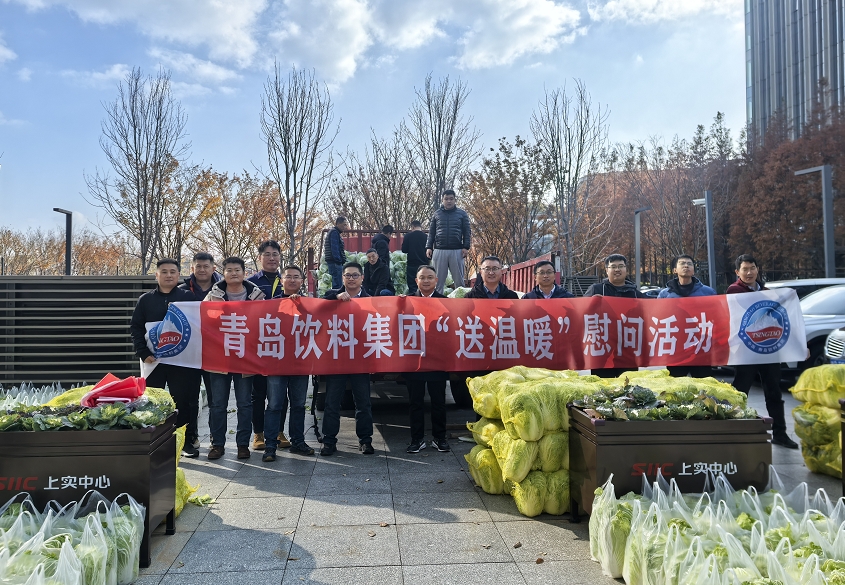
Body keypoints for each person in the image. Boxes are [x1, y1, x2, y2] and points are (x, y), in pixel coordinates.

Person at [130, 258, 202, 458]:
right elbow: (136, 328)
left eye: (172, 272)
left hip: (181, 361)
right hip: (154, 361)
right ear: (156, 275)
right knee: (153, 401)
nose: (168, 275)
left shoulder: (187, 298)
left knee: (183, 401)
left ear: (178, 275)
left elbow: (197, 326)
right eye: (164, 272)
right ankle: (155, 442)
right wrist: (143, 353)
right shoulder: (145, 300)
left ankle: (185, 442)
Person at [727, 254, 799, 449]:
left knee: (774, 391)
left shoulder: (766, 292)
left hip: (768, 350)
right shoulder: (734, 290)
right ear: (737, 272)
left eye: (752, 268)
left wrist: (801, 347)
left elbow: (784, 319)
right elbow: (745, 309)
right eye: (745, 269)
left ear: (758, 270)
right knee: (740, 391)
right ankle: (732, 431)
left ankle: (780, 433)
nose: (749, 272)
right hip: (746, 350)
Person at [204, 256, 265, 460]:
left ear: (244, 273)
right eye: (229, 270)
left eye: (237, 270)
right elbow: (201, 320)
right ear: (223, 273)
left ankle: (242, 444)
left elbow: (263, 323)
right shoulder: (212, 296)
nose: (233, 273)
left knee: (244, 403)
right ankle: (217, 444)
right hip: (218, 358)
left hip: (245, 358)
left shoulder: (256, 295)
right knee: (218, 404)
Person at [320, 262, 374, 456]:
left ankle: (365, 440)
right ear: (342, 278)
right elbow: (318, 305)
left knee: (363, 402)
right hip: (337, 359)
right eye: (348, 275)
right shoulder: (332, 296)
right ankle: (329, 441)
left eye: (355, 275)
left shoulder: (370, 300)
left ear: (362, 278)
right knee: (332, 402)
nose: (351, 278)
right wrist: (335, 298)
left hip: (361, 360)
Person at [262, 265, 315, 461]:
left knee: (299, 404)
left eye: (296, 277)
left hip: (300, 362)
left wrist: (300, 305)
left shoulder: (309, 304)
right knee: (274, 405)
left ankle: (298, 441)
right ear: (281, 280)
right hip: (276, 362)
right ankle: (270, 445)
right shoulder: (271, 304)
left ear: (302, 281)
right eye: (288, 277)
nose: (292, 280)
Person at [247, 240, 290, 452]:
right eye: (267, 254)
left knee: (281, 393)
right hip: (258, 346)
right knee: (259, 393)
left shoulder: (287, 281)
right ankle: (259, 433)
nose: (272, 258)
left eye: (275, 254)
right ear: (260, 258)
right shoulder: (250, 283)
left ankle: (279, 431)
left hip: (283, 346)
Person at [178, 251, 220, 448]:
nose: (202, 270)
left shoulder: (223, 290)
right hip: (190, 352)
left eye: (206, 266)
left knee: (215, 399)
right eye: (198, 266)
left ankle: (215, 438)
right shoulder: (182, 291)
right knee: (190, 399)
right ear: (192, 268)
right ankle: (190, 438)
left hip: (215, 352)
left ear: (213, 268)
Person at [405, 265, 450, 453]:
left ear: (436, 280)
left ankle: (439, 438)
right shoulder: (407, 301)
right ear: (416, 281)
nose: (426, 281)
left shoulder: (446, 303)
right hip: (415, 360)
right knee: (415, 402)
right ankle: (417, 439)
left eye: (430, 277)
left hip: (437, 360)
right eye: (422, 277)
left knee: (438, 402)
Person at [583, 254, 649, 378]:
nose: (617, 269)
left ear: (626, 269)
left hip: (628, 350)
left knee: (628, 386)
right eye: (613, 267)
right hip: (602, 350)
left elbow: (649, 317)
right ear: (606, 270)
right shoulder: (596, 289)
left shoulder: (636, 294)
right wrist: (590, 304)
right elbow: (580, 313)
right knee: (603, 386)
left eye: (621, 266)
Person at [658, 254, 717, 378]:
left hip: (701, 349)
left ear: (693, 270)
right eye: (682, 263)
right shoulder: (665, 294)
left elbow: (717, 318)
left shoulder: (708, 293)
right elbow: (658, 319)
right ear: (675, 270)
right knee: (676, 385)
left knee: (703, 384)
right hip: (676, 350)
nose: (686, 266)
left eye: (689, 264)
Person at [426, 189, 471, 294]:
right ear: (442, 200)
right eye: (446, 199)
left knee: (459, 282)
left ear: (455, 200)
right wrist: (429, 247)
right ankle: (437, 302)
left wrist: (466, 247)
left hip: (457, 250)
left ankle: (461, 302)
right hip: (439, 250)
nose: (449, 201)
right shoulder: (437, 214)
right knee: (437, 282)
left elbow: (467, 231)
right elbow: (431, 232)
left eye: (451, 199)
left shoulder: (462, 214)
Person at [402, 220, 428, 295]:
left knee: (412, 286)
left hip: (412, 264)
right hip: (424, 264)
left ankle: (413, 300)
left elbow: (404, 250)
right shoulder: (426, 237)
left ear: (412, 227)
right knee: (424, 285)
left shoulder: (408, 236)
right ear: (420, 226)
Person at [324, 217, 349, 289]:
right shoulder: (334, 233)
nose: (345, 227)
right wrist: (339, 261)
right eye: (344, 225)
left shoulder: (334, 232)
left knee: (336, 283)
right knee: (338, 285)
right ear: (338, 224)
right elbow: (335, 248)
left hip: (333, 262)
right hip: (335, 262)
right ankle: (337, 296)